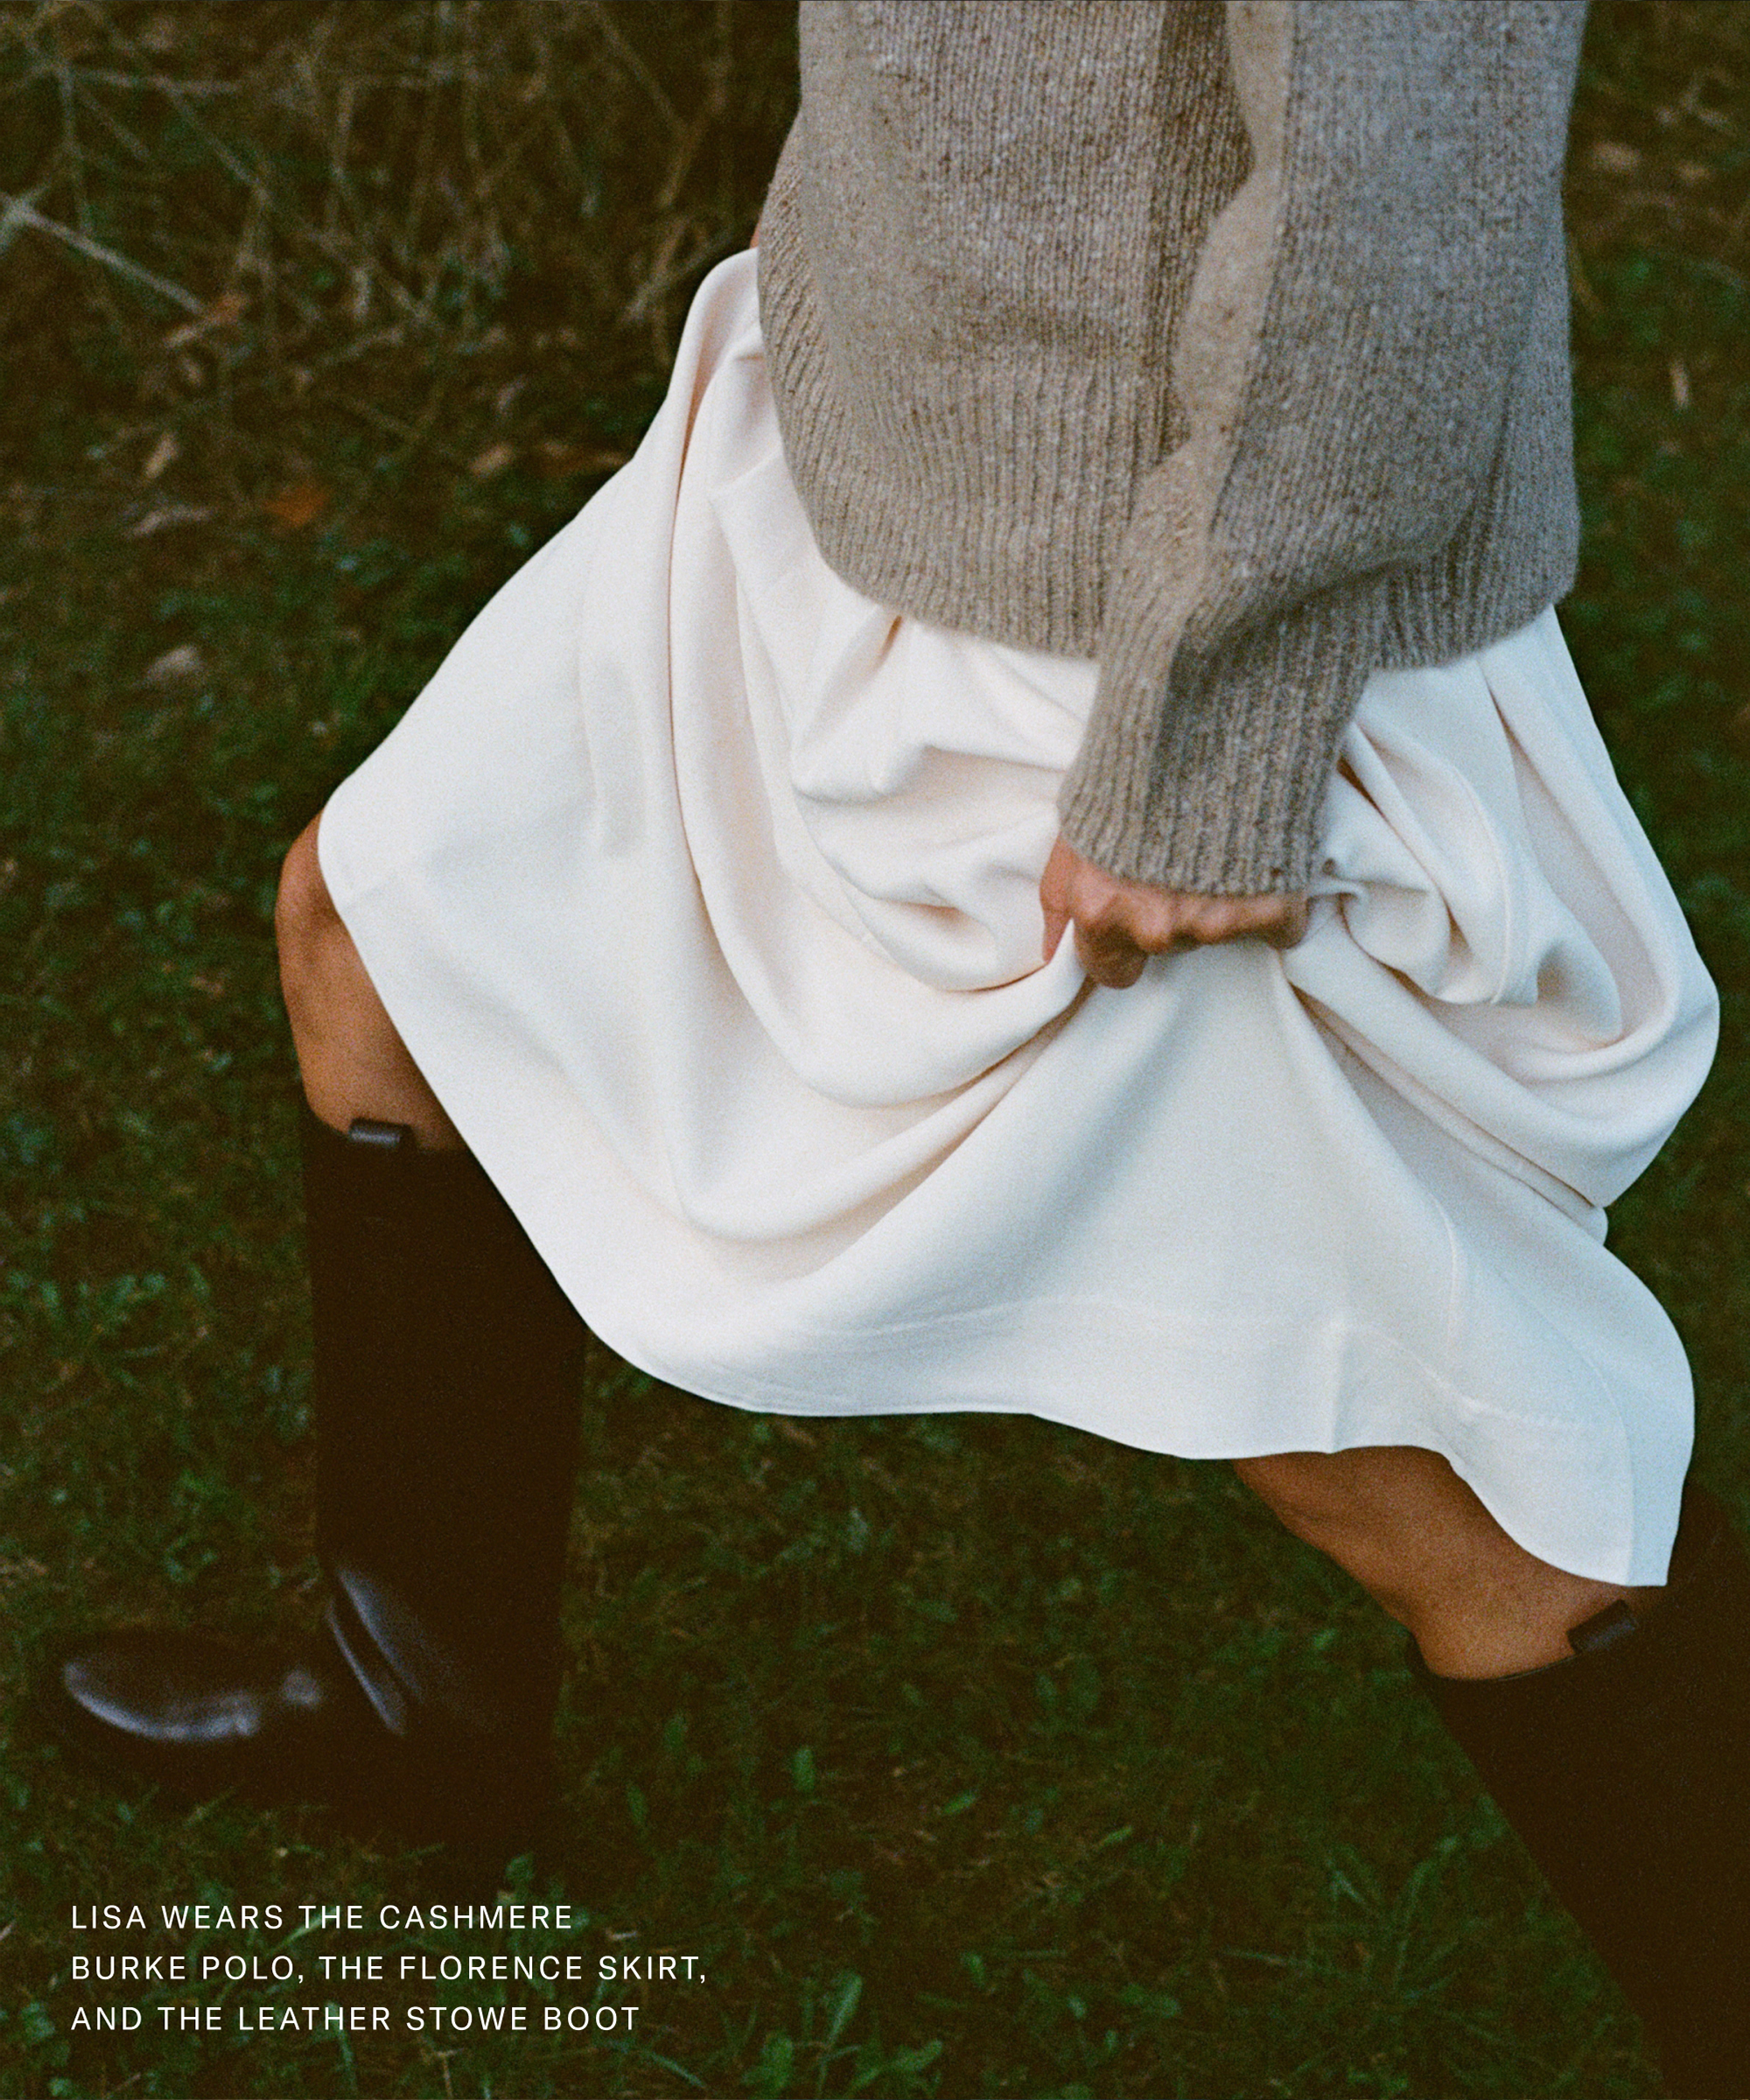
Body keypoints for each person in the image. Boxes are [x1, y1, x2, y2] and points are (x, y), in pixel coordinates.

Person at [49, 2, 1747, 2089]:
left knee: (1468, 1472)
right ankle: (423, 1713)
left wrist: (1202, 742)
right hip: (836, 440)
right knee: (380, 923)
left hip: (1110, 648)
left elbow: (1397, 190)